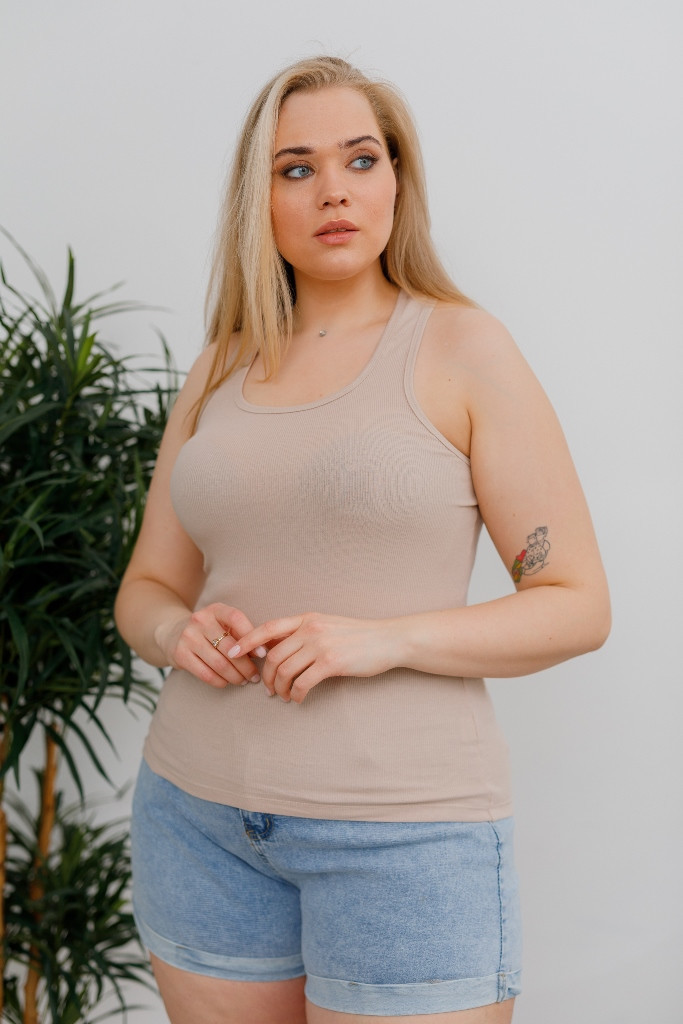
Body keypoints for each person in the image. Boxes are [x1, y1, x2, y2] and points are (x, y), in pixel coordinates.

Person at [114, 55, 610, 1024]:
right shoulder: (219, 365)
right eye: (295, 168)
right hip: (195, 816)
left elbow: (575, 605)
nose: (332, 190)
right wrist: (177, 633)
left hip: (402, 837)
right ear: (257, 199)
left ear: (396, 180)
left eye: (360, 159)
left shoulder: (463, 347)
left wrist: (382, 639)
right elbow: (146, 587)